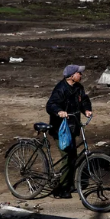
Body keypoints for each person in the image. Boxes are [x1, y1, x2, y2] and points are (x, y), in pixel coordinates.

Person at [45, 64, 92, 198]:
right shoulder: (61, 89)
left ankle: (69, 184)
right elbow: (50, 105)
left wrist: (87, 110)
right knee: (67, 159)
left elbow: (84, 100)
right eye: (79, 73)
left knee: (73, 158)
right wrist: (59, 111)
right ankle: (60, 189)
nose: (81, 75)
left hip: (73, 126)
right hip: (61, 129)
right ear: (72, 76)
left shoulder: (78, 88)